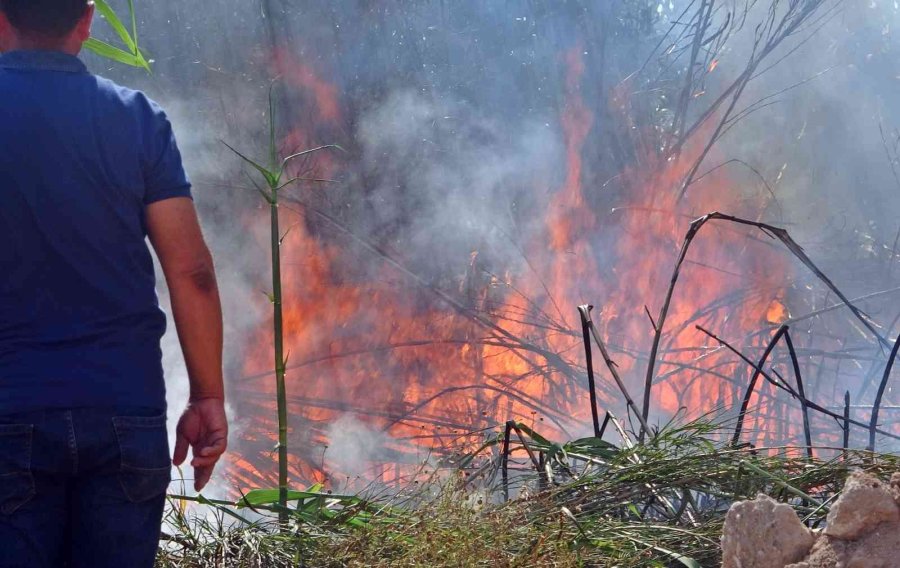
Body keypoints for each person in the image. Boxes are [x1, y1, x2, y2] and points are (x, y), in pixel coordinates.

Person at [0, 0, 228, 566]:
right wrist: (207, 397)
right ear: (87, 21)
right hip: (125, 414)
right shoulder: (138, 119)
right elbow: (192, 272)